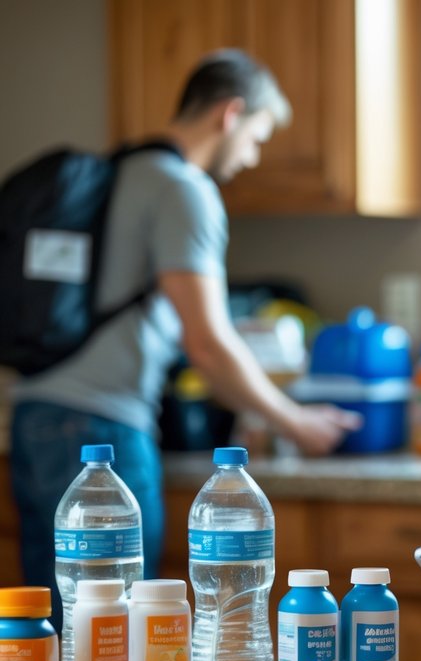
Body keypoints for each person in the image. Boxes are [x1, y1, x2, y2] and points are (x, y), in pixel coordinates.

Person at [9, 49, 361, 628]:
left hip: (36, 419)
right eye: (256, 136)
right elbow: (208, 345)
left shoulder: (120, 171)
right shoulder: (183, 189)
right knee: (112, 637)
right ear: (230, 114)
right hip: (103, 434)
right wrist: (296, 422)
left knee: (53, 627)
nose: (250, 158)